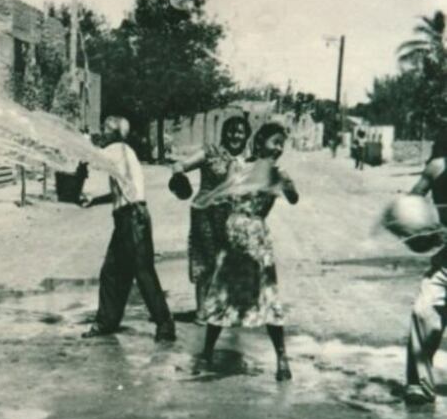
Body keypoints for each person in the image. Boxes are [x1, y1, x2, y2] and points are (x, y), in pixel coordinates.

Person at [194, 122, 299, 381]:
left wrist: (286, 183)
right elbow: (226, 190)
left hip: (257, 237)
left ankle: (282, 358)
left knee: (267, 296)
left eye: (282, 145)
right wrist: (210, 198)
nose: (279, 148)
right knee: (221, 294)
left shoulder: (277, 172)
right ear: (260, 140)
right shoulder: (238, 164)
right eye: (275, 142)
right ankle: (207, 352)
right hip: (234, 235)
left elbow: (295, 198)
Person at [81, 116, 177, 342]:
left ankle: (165, 325)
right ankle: (107, 321)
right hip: (129, 217)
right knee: (113, 272)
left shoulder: (117, 149)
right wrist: (94, 200)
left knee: (143, 272)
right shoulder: (123, 152)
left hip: (131, 218)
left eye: (105, 129)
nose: (101, 133)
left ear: (115, 133)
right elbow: (121, 191)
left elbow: (90, 159)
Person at [170, 116, 251, 317]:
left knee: (229, 261)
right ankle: (201, 311)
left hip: (232, 215)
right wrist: (179, 177)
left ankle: (222, 307)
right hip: (205, 212)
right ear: (224, 133)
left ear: (246, 136)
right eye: (231, 130)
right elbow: (180, 165)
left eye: (240, 132)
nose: (235, 135)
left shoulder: (248, 160)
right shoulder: (210, 152)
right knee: (205, 261)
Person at [403, 131, 447, 405]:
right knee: (423, 311)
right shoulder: (438, 166)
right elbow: (411, 201)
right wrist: (425, 229)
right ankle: (418, 384)